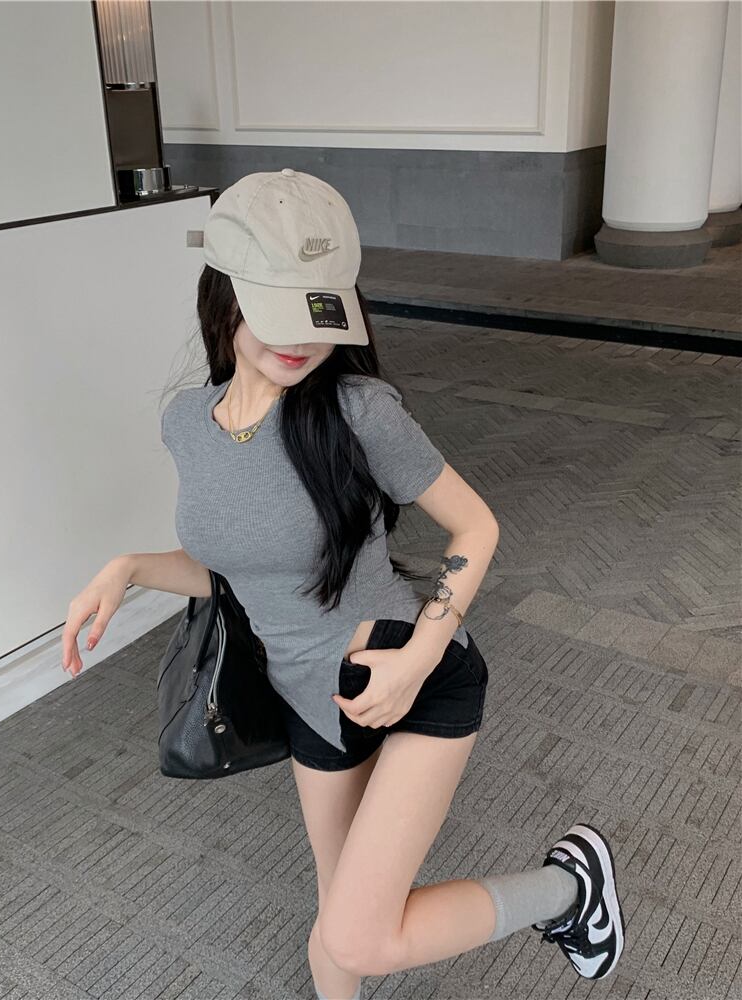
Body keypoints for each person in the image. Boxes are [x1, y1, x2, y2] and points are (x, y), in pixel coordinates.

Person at [61, 169, 624, 1000]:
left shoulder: (358, 411)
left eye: (317, 315)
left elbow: (476, 528)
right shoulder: (186, 423)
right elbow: (241, 568)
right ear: (224, 298)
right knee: (340, 924)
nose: (301, 341)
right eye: (277, 313)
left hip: (415, 673)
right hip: (310, 702)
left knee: (359, 934)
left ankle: (570, 890)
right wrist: (130, 568)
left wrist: (420, 655)